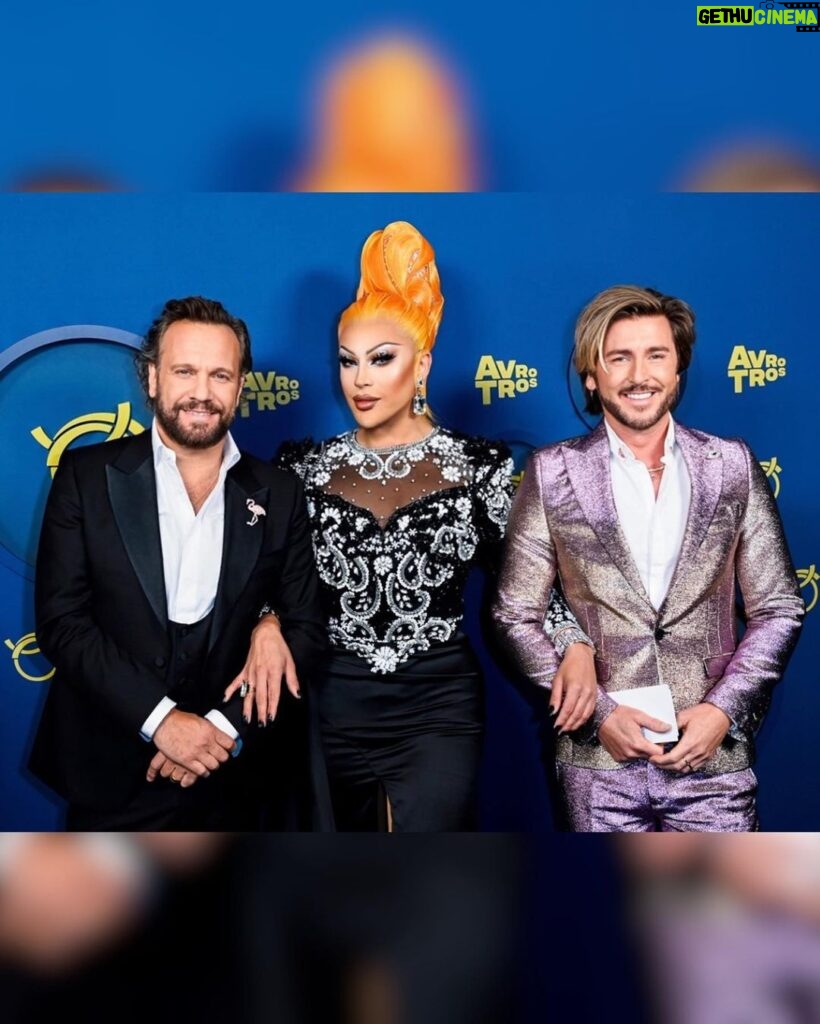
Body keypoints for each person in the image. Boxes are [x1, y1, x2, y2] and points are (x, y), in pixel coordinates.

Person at [229, 221, 596, 831]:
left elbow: (529, 583)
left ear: (421, 364)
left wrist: (576, 644)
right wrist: (268, 621)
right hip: (326, 701)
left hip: (437, 706)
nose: (361, 379)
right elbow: (273, 578)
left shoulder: (477, 468)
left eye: (381, 359)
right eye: (347, 362)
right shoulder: (303, 468)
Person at [493, 284, 804, 832]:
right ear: (592, 375)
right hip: (598, 763)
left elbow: (778, 607)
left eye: (656, 354)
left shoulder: (731, 464)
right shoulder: (551, 471)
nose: (640, 374)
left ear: (678, 368)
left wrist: (723, 711)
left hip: (713, 758)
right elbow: (515, 614)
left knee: (731, 918)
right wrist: (597, 716)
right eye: (620, 358)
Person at [28, 296, 325, 829]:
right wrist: (163, 722)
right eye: (184, 371)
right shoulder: (86, 476)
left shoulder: (280, 491)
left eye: (220, 375)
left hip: (237, 777)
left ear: (239, 388)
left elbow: (305, 625)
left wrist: (218, 730)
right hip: (110, 772)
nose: (201, 393)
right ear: (152, 378)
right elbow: (63, 624)